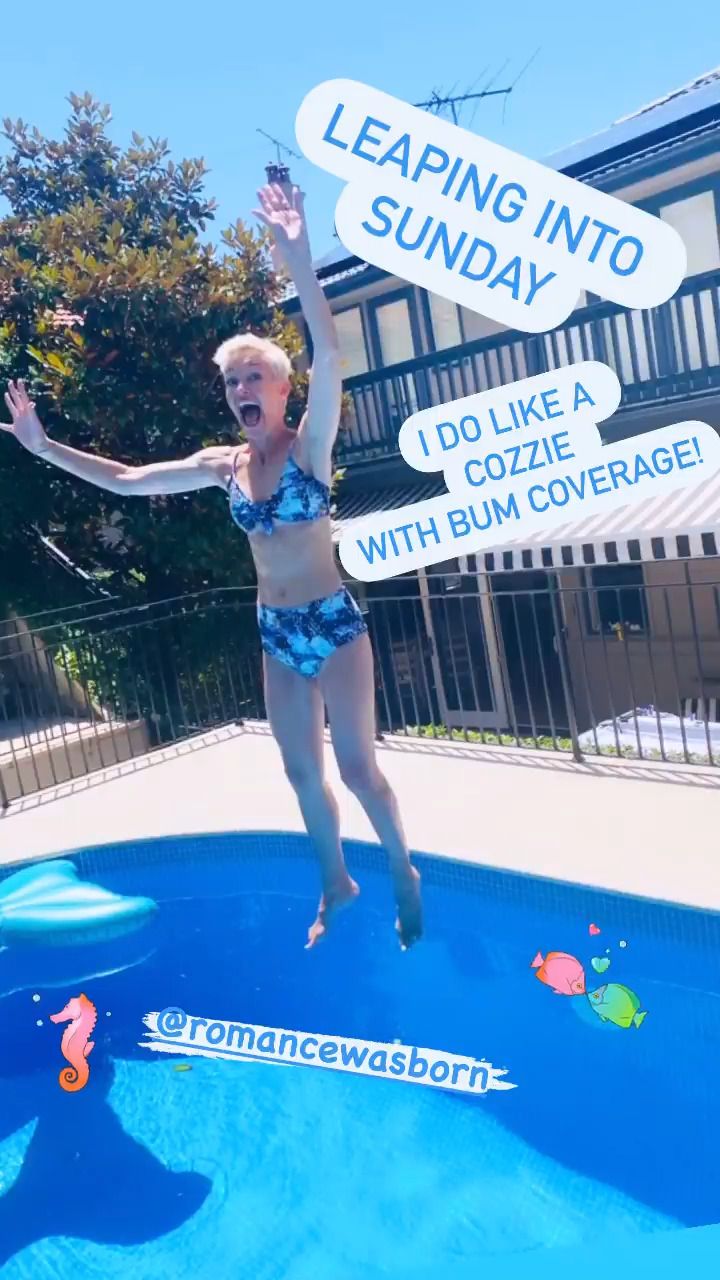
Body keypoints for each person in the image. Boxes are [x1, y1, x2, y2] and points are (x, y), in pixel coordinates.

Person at [1, 182, 423, 952]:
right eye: (232, 381)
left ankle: (402, 868)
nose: (240, 390)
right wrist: (44, 447)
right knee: (301, 775)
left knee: (358, 771)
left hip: (332, 625)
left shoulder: (309, 447)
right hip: (276, 632)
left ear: (283, 388)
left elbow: (331, 353)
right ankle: (336, 882)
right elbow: (129, 479)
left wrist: (297, 256)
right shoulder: (222, 465)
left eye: (253, 377)